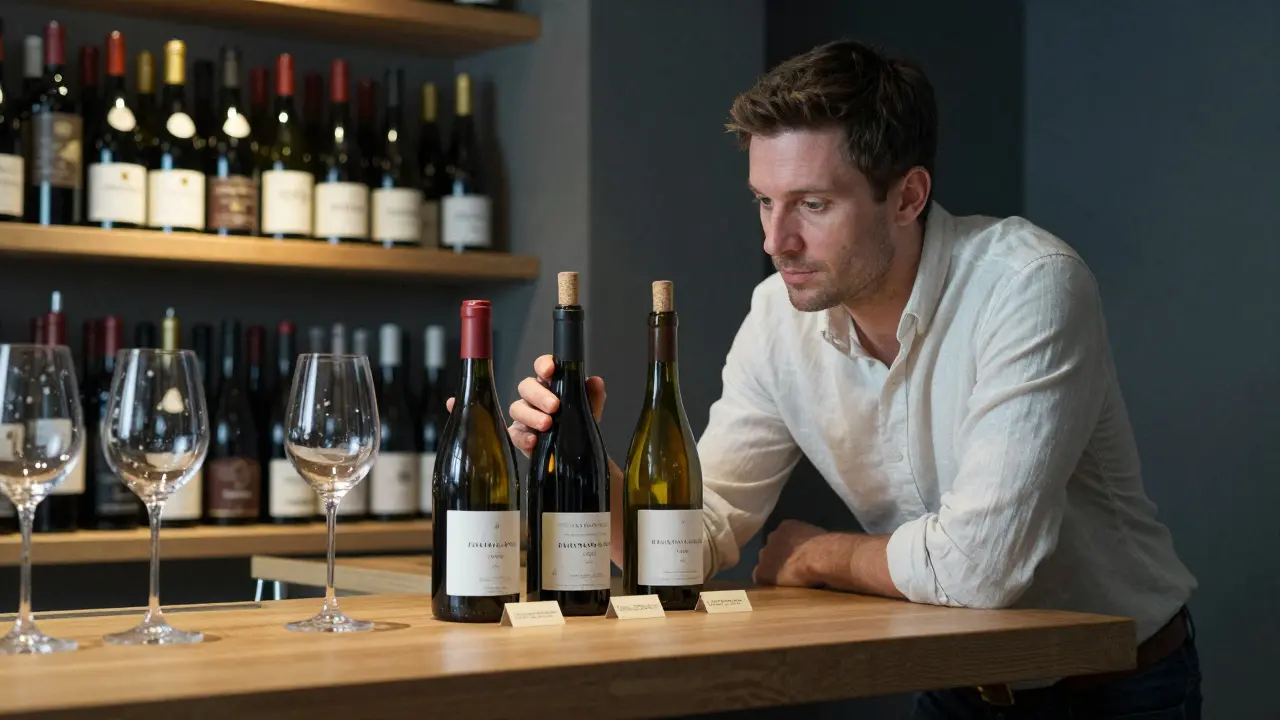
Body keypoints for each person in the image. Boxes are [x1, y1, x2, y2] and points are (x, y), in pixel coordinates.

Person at [505, 40, 1200, 718]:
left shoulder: (1029, 286)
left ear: (907, 197)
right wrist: (587, 466)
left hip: (1115, 688)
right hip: (954, 678)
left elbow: (982, 571)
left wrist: (820, 554)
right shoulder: (778, 316)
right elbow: (698, 534)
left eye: (812, 204)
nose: (775, 241)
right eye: (763, 201)